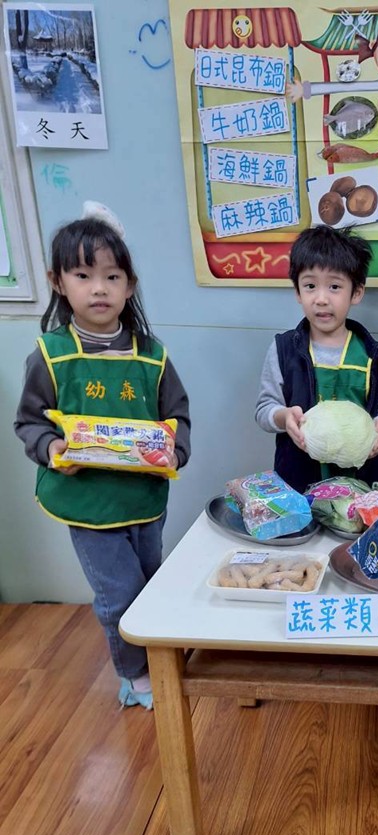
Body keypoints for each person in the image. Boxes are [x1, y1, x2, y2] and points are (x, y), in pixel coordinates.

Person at [14, 204, 191, 711]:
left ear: (129, 286)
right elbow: (29, 423)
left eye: (112, 277)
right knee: (119, 596)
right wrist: (52, 449)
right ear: (57, 281)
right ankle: (135, 675)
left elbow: (177, 416)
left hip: (144, 499)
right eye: (83, 275)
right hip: (88, 503)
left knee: (150, 586)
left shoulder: (152, 355)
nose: (99, 289)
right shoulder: (50, 355)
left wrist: (175, 450)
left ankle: (160, 658)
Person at [255, 225, 378, 492]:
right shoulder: (283, 350)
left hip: (362, 488)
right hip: (299, 485)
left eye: (334, 286)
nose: (321, 299)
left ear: (356, 292)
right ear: (298, 292)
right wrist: (283, 417)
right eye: (310, 286)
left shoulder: (374, 356)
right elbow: (264, 409)